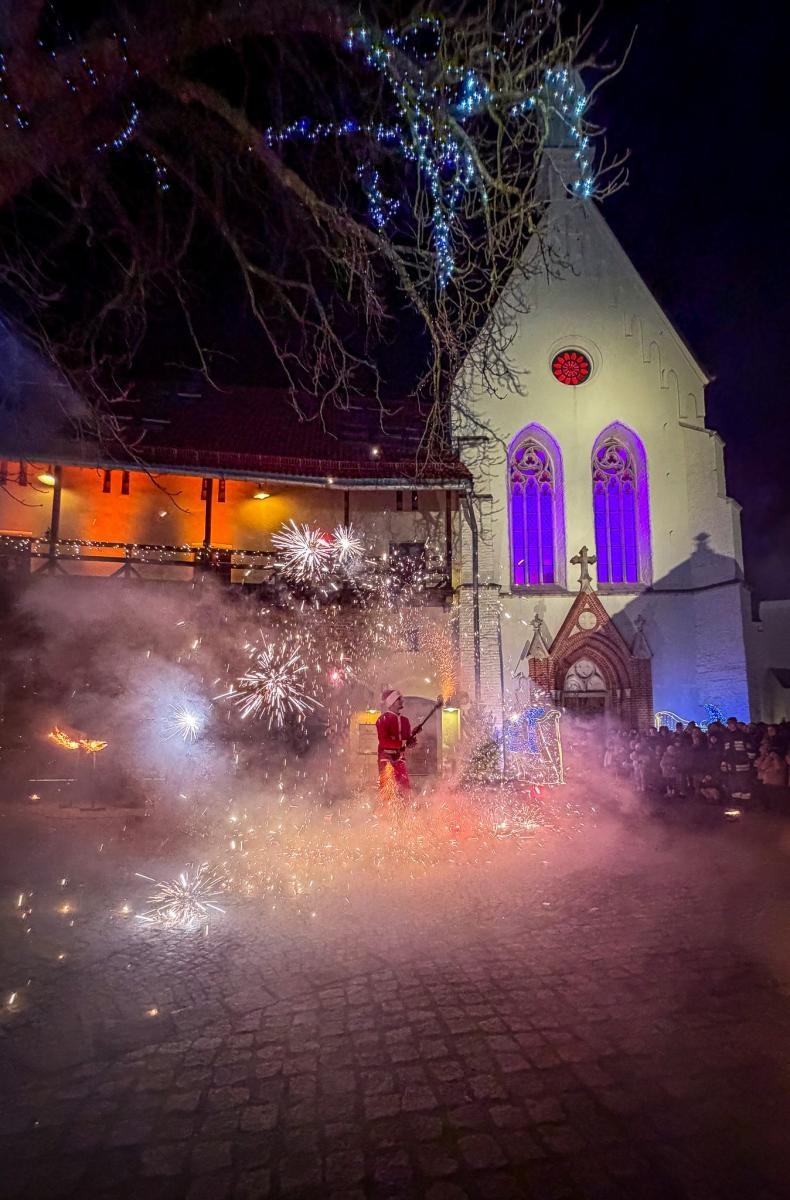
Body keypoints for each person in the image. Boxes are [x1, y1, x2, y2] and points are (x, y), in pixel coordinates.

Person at [375, 689, 416, 800]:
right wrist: (402, 742)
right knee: (387, 791)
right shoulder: (382, 720)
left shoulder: (405, 721)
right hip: (386, 759)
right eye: (399, 699)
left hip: (400, 759)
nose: (402, 701)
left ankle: (405, 813)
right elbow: (384, 742)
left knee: (405, 789)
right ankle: (384, 814)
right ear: (392, 702)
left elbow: (407, 743)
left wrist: (411, 741)